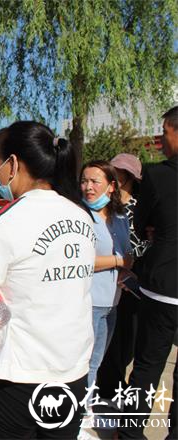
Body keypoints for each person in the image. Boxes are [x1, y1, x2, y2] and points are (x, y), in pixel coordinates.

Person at [0, 122, 96, 438]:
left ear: (13, 164)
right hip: (71, 372)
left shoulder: (3, 220)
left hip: (16, 377)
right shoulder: (80, 216)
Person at [119, 106, 178, 439]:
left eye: (164, 132)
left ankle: (129, 434)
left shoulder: (157, 175)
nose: (161, 140)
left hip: (162, 287)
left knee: (146, 367)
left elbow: (139, 227)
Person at [96, 153, 147, 401]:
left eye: (119, 171)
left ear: (128, 178)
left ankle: (113, 386)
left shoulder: (141, 208)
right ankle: (105, 387)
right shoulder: (103, 206)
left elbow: (148, 244)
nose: (114, 174)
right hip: (106, 282)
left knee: (126, 340)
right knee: (105, 340)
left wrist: (132, 270)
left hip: (132, 286)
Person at [80, 160, 132, 391]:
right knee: (84, 363)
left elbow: (127, 252)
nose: (88, 187)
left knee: (97, 361)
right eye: (84, 181)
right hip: (89, 301)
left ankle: (84, 408)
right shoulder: (80, 217)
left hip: (112, 301)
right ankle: (76, 415)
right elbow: (79, 262)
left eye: (94, 181)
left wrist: (126, 270)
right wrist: (119, 261)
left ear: (111, 186)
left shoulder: (119, 218)